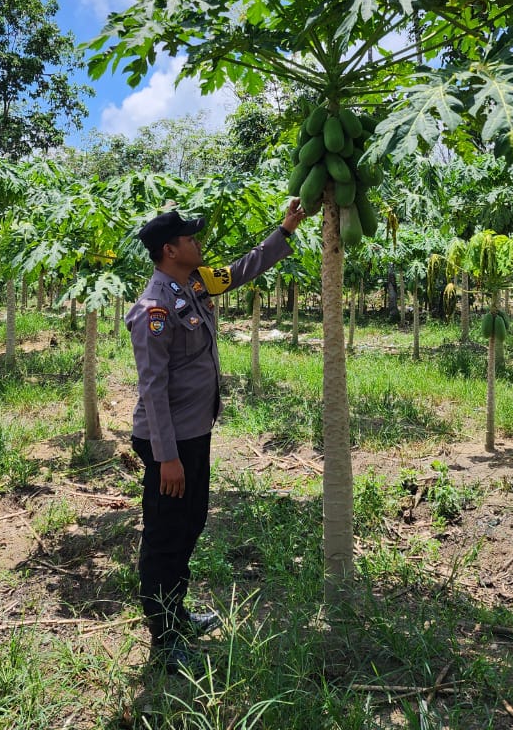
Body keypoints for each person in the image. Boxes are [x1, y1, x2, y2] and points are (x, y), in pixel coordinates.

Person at [127, 201, 308, 673]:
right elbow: (153, 387)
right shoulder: (154, 310)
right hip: (168, 442)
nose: (197, 242)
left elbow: (242, 269)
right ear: (170, 250)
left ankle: (178, 614)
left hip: (193, 432)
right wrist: (167, 458)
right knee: (166, 536)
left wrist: (283, 230)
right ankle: (164, 639)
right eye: (189, 238)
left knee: (190, 524)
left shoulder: (197, 283)